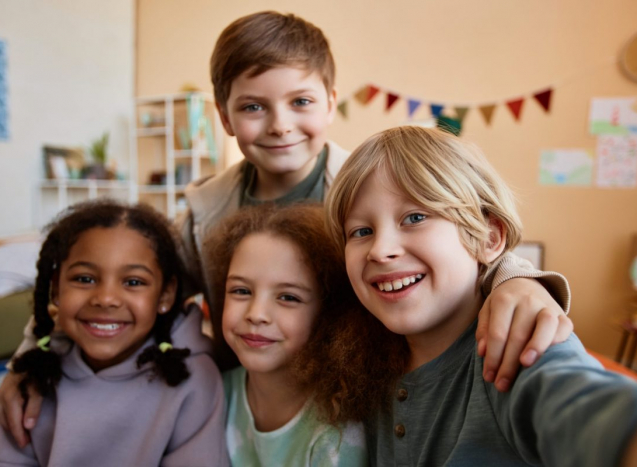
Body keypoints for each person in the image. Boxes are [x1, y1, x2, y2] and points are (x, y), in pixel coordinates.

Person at [1, 11, 572, 446]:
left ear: (330, 102)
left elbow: (466, 244)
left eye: (300, 101)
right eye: (253, 108)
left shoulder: (370, 193)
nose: (279, 125)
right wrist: (33, 356)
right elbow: (144, 279)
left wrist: (518, 282)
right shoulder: (205, 211)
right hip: (246, 407)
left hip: (349, 403)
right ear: (224, 116)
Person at [322, 125, 637, 466]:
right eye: (362, 231)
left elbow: (594, 409)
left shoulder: (519, 346)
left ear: (489, 238)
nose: (380, 250)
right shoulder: (356, 353)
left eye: (415, 217)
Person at [0, 200, 228, 466]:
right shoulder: (32, 377)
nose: (106, 299)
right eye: (85, 279)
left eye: (133, 282)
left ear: (165, 294)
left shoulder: (194, 380)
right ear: (55, 290)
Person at [205, 203, 367, 466]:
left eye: (288, 297)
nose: (256, 314)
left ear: (327, 314)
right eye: (241, 291)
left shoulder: (337, 432)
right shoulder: (212, 393)